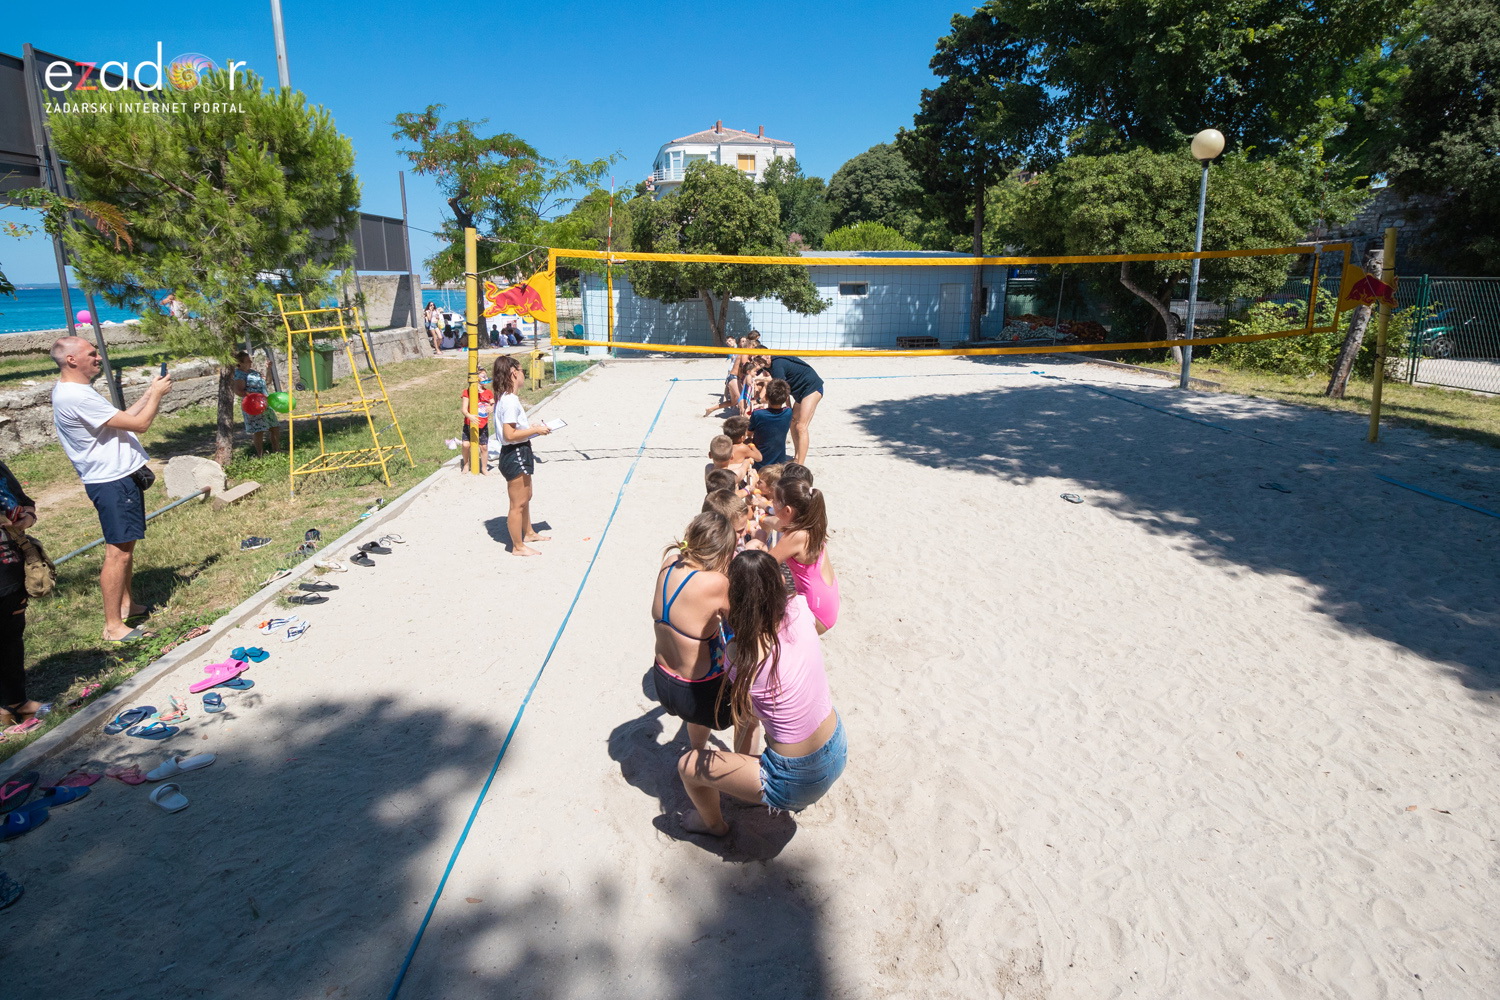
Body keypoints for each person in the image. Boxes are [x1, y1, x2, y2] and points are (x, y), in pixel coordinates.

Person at [676, 549, 847, 836]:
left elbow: (749, 712)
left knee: (687, 767)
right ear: (779, 582)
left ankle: (713, 825)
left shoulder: (739, 655)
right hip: (838, 745)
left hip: (795, 779)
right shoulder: (800, 609)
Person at [49, 336, 171, 643]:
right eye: (92, 354)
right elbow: (140, 425)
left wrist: (147, 393)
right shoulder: (77, 396)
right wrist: (156, 395)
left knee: (126, 549)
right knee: (117, 553)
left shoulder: (74, 391)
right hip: (111, 481)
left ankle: (128, 606)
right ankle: (113, 626)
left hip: (115, 478)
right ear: (72, 360)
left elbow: (121, 421)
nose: (98, 358)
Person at [651, 512, 736, 751]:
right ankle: (744, 768)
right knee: (750, 715)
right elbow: (740, 623)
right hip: (700, 692)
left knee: (696, 718)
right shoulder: (717, 582)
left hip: (664, 681)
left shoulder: (669, 563)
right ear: (723, 553)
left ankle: (697, 748)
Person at [492, 355, 551, 556]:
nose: (524, 374)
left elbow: (514, 430)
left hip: (519, 449)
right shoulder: (509, 401)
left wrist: (534, 429)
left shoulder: (507, 399)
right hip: (514, 452)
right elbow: (509, 435)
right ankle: (518, 546)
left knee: (526, 497)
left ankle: (529, 532)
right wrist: (536, 431)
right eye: (522, 370)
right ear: (513, 372)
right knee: (517, 504)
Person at [0, 460, 43, 729]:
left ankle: (16, 702)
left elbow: (25, 501)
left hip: (8, 564)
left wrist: (27, 516)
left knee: (11, 635)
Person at [770, 478, 839, 633]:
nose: (771, 502)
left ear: (787, 510)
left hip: (816, 611)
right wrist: (762, 518)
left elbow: (764, 564)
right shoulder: (812, 525)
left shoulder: (796, 537)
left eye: (774, 500)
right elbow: (778, 524)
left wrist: (758, 541)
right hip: (828, 602)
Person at [769, 354, 824, 466]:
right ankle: (797, 457)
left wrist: (787, 406)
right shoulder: (766, 364)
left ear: (766, 355)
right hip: (800, 392)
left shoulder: (777, 365)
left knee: (801, 426)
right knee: (793, 421)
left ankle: (800, 465)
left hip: (812, 388)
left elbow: (782, 389)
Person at [230, 351, 281, 457]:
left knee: (274, 426)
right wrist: (253, 396)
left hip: (264, 403)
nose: (250, 362)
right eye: (248, 361)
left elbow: (267, 382)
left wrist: (268, 369)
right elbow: (239, 391)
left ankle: (277, 451)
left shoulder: (253, 372)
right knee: (259, 430)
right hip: (253, 405)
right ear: (240, 363)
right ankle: (260, 455)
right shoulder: (239, 374)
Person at [749, 378, 793, 469]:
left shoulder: (758, 413)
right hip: (779, 463)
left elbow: (749, 433)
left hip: (760, 462)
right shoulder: (788, 413)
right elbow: (788, 406)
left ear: (766, 397)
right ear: (786, 398)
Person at [458, 372, 494, 474]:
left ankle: (484, 468)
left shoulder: (488, 392)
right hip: (469, 425)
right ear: (476, 380)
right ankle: (466, 464)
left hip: (483, 424)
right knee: (466, 445)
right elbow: (464, 409)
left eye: (486, 376)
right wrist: (470, 416)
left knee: (484, 447)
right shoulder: (467, 392)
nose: (486, 378)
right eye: (484, 377)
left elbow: (493, 402)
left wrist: (491, 407)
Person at [703, 336, 740, 417]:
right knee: (738, 397)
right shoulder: (732, 350)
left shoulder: (739, 349)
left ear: (734, 340)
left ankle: (711, 409)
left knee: (734, 399)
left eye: (730, 341)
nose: (729, 343)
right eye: (727, 342)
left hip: (734, 373)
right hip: (733, 374)